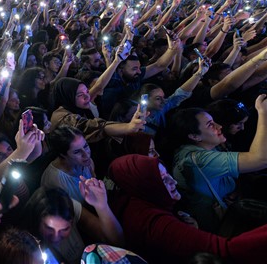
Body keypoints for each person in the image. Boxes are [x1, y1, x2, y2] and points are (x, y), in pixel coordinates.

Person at [107, 154, 267, 263]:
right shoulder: (154, 223)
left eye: (168, 174)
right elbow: (225, 249)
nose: (174, 182)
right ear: (146, 185)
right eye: (163, 179)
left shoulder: (139, 202)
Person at [169, 97, 267, 232]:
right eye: (210, 124)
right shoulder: (198, 160)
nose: (219, 126)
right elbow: (260, 159)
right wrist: (263, 113)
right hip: (219, 228)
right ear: (194, 136)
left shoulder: (205, 148)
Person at [21, 186, 124, 264]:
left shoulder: (67, 205)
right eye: (49, 228)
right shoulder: (27, 247)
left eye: (64, 229)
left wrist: (102, 206)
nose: (56, 237)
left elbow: (116, 241)